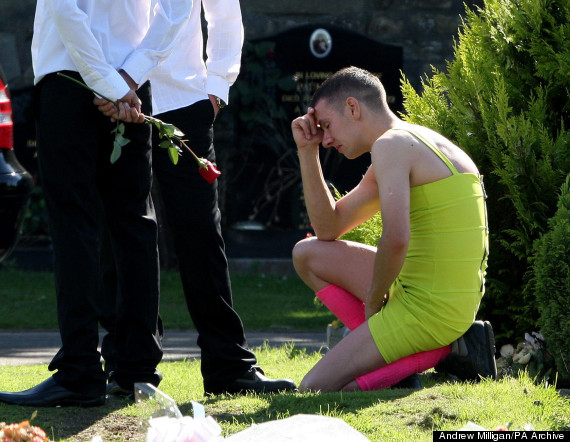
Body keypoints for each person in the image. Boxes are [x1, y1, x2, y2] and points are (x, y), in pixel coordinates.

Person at [95, 0, 297, 396]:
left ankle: (228, 365)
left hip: (181, 98)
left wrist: (217, 87)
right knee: (121, 228)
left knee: (201, 231)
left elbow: (223, 14)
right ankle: (127, 364)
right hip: (116, 94)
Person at [0, 0, 191, 407]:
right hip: (131, 84)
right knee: (134, 222)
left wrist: (106, 80)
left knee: (77, 223)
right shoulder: (127, 80)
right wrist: (126, 78)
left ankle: (81, 370)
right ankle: (137, 368)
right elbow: (177, 9)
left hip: (73, 78)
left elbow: (63, 8)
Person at [290, 67, 497, 392]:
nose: (326, 139)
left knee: (314, 389)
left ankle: (442, 351)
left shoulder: (392, 146)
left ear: (353, 107)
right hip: (430, 295)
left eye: (327, 125)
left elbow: (397, 239)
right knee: (307, 253)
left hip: (431, 310)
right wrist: (307, 152)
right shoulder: (410, 142)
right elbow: (328, 228)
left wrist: (374, 302)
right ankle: (416, 353)